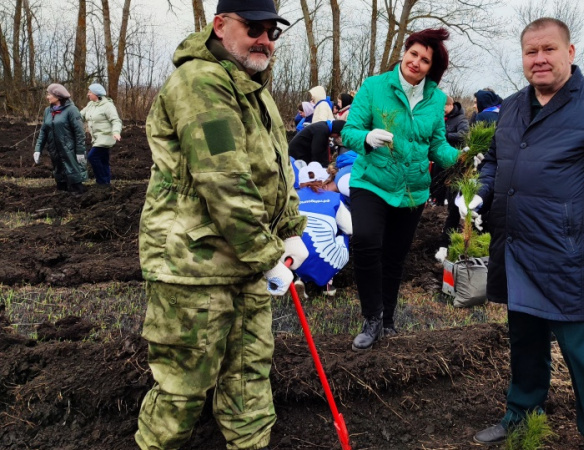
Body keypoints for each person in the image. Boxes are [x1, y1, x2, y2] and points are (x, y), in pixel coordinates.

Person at [135, 1, 309, 449]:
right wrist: (268, 253)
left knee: (248, 383)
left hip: (245, 265)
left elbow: (277, 169)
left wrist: (290, 227)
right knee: (181, 390)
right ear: (220, 25)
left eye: (272, 32)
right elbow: (224, 179)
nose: (264, 40)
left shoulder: (255, 90)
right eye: (253, 28)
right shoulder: (200, 83)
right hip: (195, 268)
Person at [469, 18, 584, 448]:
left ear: (570, 52)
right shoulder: (512, 106)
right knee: (525, 345)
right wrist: (481, 194)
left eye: (549, 49)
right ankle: (521, 415)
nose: (540, 59)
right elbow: (495, 160)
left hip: (569, 256)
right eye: (531, 52)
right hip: (516, 249)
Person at [341, 28, 460, 350]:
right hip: (371, 180)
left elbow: (437, 146)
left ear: (432, 68)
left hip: (412, 190)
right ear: (404, 53)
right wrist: (366, 138)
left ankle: (388, 317)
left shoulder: (436, 99)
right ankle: (372, 318)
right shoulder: (374, 86)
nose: (416, 62)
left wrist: (462, 158)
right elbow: (349, 131)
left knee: (395, 256)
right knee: (366, 242)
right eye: (413, 54)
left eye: (425, 60)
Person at [294, 161, 353, 296]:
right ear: (323, 181)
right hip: (327, 258)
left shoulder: (292, 199)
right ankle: (328, 282)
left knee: (295, 236)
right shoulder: (335, 197)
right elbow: (350, 229)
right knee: (342, 231)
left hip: (294, 257)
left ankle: (300, 278)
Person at [33, 83, 88, 194]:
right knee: (60, 178)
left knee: (74, 177)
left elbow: (79, 133)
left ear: (58, 96)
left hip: (69, 150)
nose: (47, 97)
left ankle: (78, 194)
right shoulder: (48, 111)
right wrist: (38, 149)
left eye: (49, 94)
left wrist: (80, 151)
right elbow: (43, 131)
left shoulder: (72, 110)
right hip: (54, 150)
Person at [79, 82, 123, 187]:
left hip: (106, 137)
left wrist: (116, 132)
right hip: (96, 138)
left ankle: (101, 182)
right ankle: (106, 183)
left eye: (90, 92)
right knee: (103, 160)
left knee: (92, 157)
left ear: (96, 93)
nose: (88, 94)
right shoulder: (91, 105)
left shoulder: (108, 106)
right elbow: (80, 116)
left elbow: (116, 120)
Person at [429, 94, 469, 205]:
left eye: (444, 107)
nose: (442, 110)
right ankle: (436, 201)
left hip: (453, 155)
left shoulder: (461, 119)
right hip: (439, 155)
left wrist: (446, 135)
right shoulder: (441, 118)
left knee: (450, 183)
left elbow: (463, 135)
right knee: (436, 179)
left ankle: (449, 204)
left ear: (451, 105)